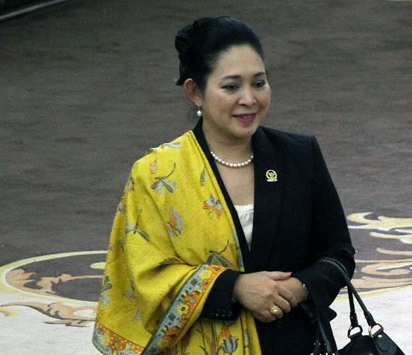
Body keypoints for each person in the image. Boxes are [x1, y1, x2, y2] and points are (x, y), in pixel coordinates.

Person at [93, 16, 355, 354]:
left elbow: (337, 254)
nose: (249, 99)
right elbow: (142, 277)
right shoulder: (158, 174)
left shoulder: (299, 156)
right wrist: (234, 287)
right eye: (231, 87)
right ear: (195, 92)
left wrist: (295, 289)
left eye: (259, 83)